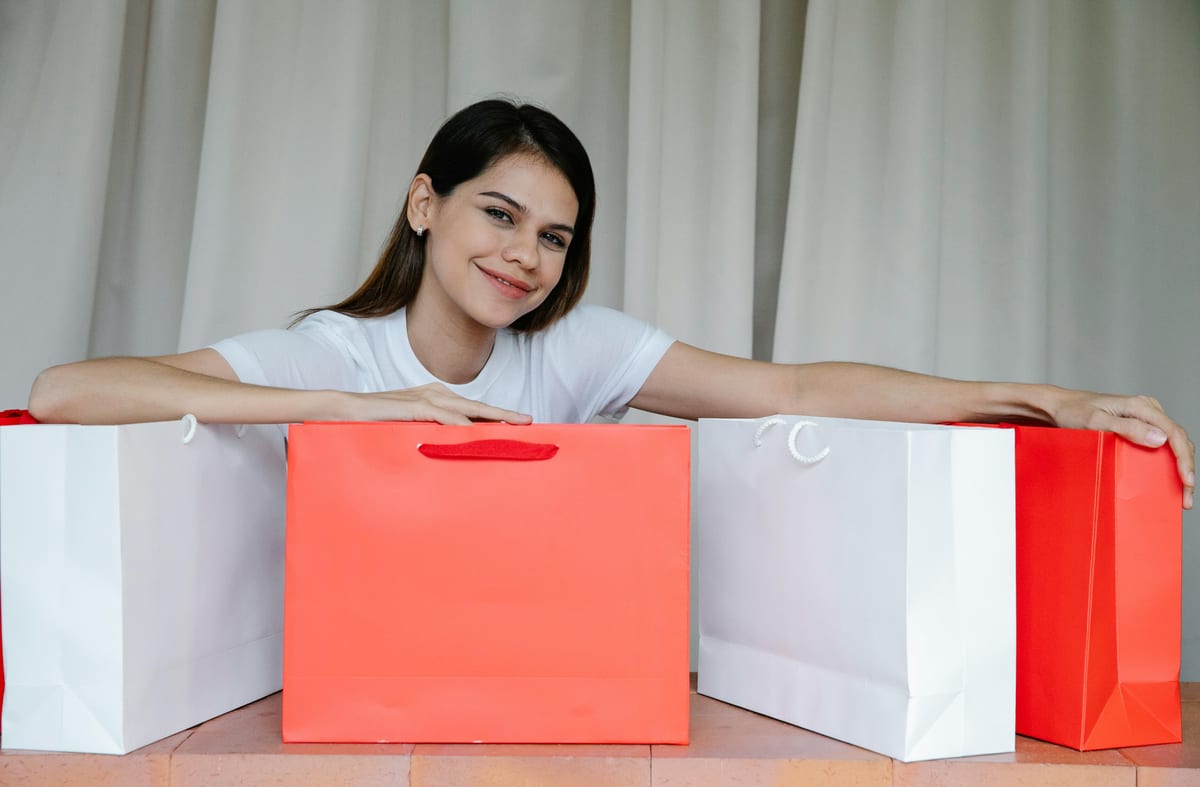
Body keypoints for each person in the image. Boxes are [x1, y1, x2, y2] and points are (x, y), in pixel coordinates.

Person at [28, 98, 1195, 509]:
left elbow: (787, 389)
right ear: (424, 205)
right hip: (357, 683)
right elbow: (63, 392)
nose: (525, 256)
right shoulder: (335, 350)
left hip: (545, 670)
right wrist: (355, 412)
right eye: (497, 213)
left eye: (553, 236)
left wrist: (1035, 395)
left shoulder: (576, 348)